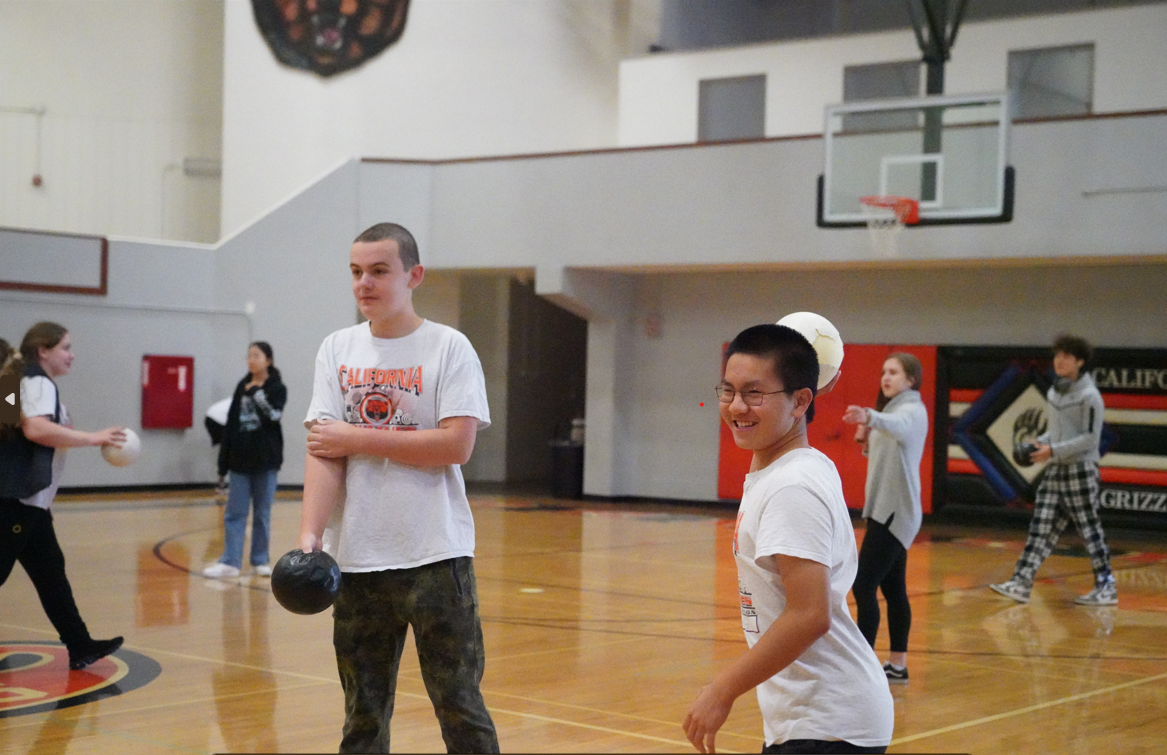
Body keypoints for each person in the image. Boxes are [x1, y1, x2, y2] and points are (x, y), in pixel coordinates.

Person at [298, 222, 499, 753]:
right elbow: (324, 449)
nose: (365, 283)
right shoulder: (336, 349)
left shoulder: (449, 347)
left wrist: (355, 436)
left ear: (414, 275)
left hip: (437, 556)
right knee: (361, 717)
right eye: (356, 272)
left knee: (459, 708)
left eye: (379, 271)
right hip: (359, 561)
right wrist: (310, 536)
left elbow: (455, 446)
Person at [684, 324, 893, 755]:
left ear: (801, 400)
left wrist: (721, 691)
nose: (737, 406)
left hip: (829, 727)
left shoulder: (791, 486)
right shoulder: (792, 468)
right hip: (813, 723)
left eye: (755, 394)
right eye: (728, 390)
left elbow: (809, 614)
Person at [0, 322, 126, 670]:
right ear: (43, 350)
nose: (72, 355)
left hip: (29, 504)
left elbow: (11, 430)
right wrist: (93, 437)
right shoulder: (37, 381)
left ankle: (80, 644)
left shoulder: (19, 378)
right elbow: (35, 429)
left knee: (51, 574)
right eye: (66, 347)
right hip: (16, 503)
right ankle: (79, 642)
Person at [990, 334, 1116, 606]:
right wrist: (1041, 443)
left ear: (1080, 362)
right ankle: (1021, 582)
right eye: (1057, 355)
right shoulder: (1055, 391)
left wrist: (1053, 450)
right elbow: (1057, 431)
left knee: (1089, 529)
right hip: (1056, 470)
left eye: (1067, 356)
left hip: (1080, 470)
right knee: (1041, 527)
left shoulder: (1090, 396)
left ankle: (1106, 586)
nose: (1059, 361)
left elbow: (1090, 439)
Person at [841, 353, 928, 685]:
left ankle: (863, 665)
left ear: (910, 380)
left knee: (863, 585)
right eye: (883, 372)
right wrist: (865, 437)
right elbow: (888, 450)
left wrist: (870, 417)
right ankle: (897, 665)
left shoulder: (911, 411)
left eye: (893, 372)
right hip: (885, 510)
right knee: (893, 591)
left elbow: (899, 428)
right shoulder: (891, 411)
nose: (886, 377)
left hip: (896, 513)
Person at [203, 342, 286, 578]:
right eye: (248, 355)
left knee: (262, 513)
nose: (251, 360)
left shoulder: (277, 387)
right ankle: (230, 561)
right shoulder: (242, 385)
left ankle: (260, 560)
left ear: (268, 360)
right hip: (240, 460)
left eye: (256, 355)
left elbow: (274, 416)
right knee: (234, 513)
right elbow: (231, 424)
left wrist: (256, 394)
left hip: (266, 461)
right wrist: (224, 461)